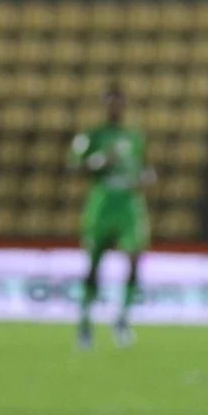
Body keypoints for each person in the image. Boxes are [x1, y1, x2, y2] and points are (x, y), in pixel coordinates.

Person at [68, 86, 154, 349]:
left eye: (118, 103)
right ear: (105, 106)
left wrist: (146, 175)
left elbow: (143, 167)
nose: (115, 108)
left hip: (128, 203)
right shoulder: (92, 136)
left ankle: (123, 320)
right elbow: (73, 166)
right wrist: (98, 161)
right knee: (94, 263)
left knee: (134, 259)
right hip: (102, 202)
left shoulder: (135, 137)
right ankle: (84, 322)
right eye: (110, 103)